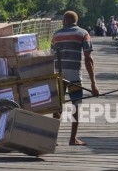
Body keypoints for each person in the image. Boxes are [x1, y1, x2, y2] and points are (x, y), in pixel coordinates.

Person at [51, 11, 99, 146]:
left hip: (58, 75)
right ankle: (73, 139)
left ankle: (53, 138)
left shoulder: (56, 35)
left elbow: (50, 54)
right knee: (76, 106)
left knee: (58, 106)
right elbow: (88, 59)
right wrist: (93, 84)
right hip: (74, 76)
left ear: (64, 21)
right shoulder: (84, 34)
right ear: (76, 21)